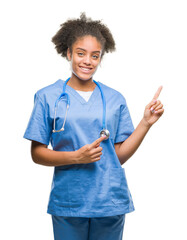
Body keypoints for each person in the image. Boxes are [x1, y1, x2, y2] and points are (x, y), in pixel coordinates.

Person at [23, 13, 164, 240]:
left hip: (109, 201)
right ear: (68, 53)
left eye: (95, 56)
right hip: (69, 201)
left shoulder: (115, 99)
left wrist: (146, 123)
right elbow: (37, 154)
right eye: (81, 53)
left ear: (100, 58)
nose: (87, 61)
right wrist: (76, 157)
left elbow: (117, 156)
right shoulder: (47, 97)